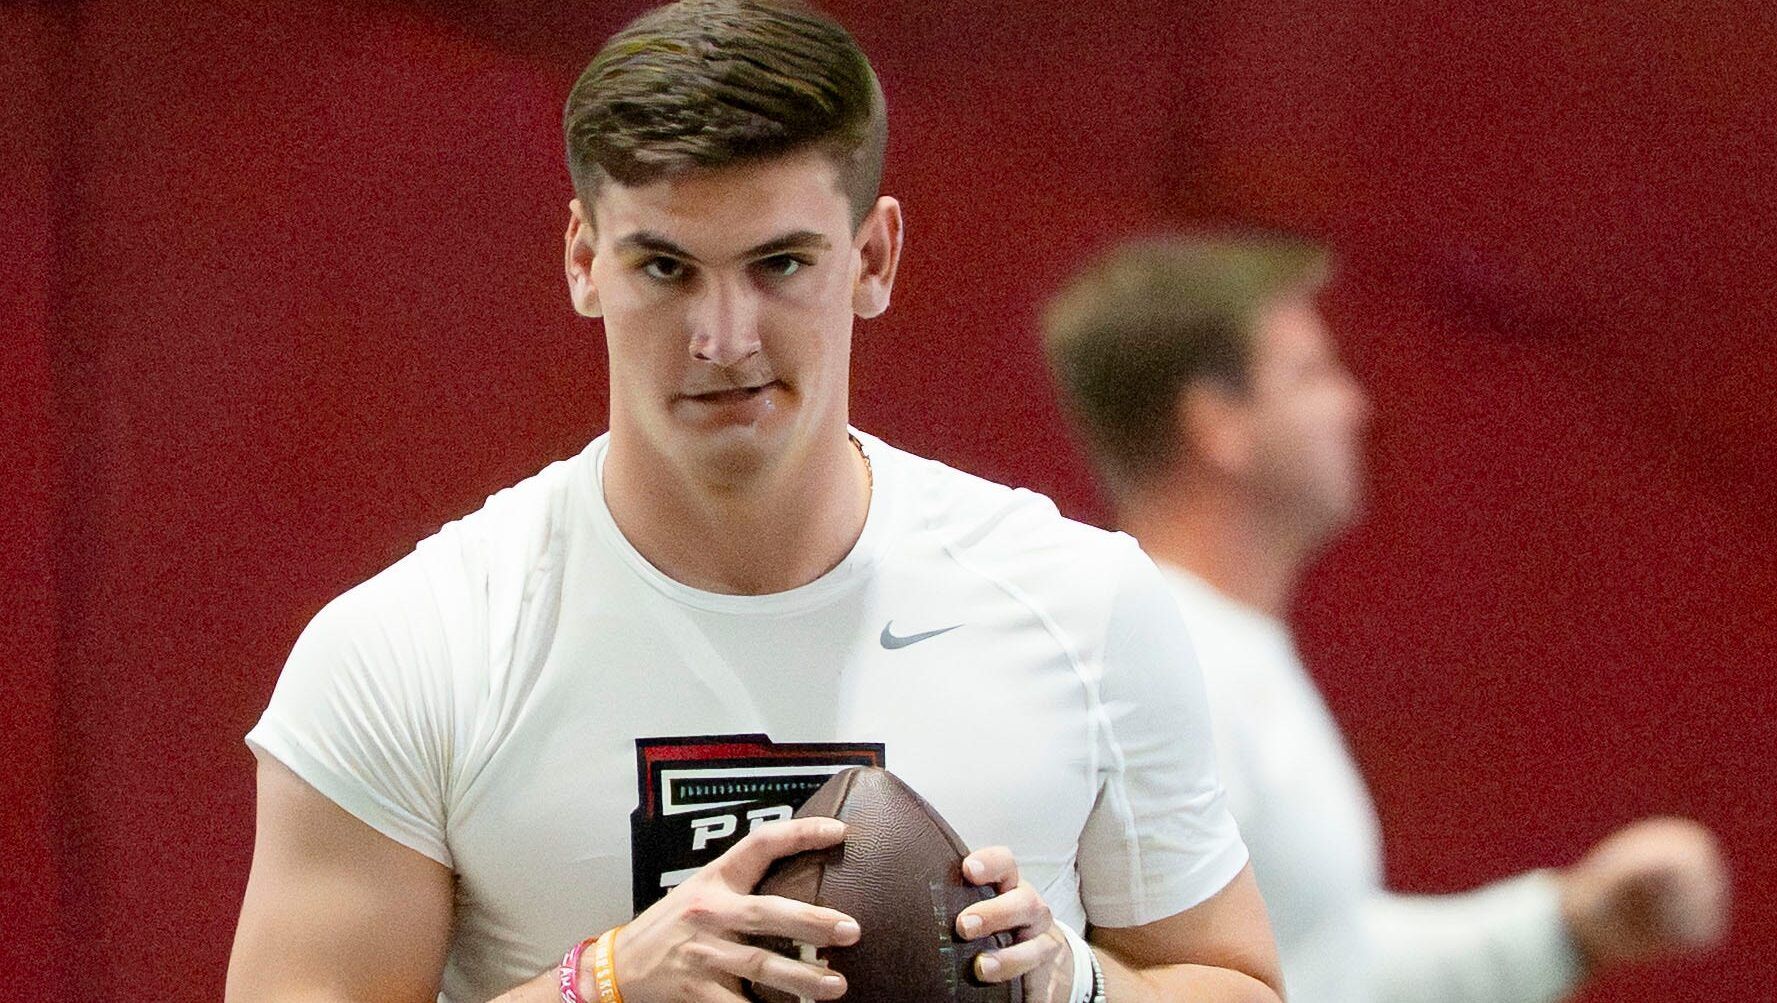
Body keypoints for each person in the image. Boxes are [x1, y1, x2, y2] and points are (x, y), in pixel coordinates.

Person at [225, 5, 1289, 1002]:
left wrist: (1074, 983)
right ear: (584, 261)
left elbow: (1235, 981)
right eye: (665, 267)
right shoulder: (413, 648)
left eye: (779, 263)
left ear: (872, 258)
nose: (723, 338)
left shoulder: (1080, 604)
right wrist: (601, 983)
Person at [1040, 234, 1731, 1002]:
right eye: (1310, 372)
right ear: (1217, 425)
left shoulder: (1214, 650)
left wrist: (1567, 924)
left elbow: (1323, 961)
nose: (1353, 404)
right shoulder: (1173, 661)